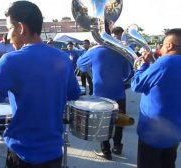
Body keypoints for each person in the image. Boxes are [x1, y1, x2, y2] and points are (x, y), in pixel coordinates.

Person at [0, 1, 81, 167]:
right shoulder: (63, 59)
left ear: (21, 28)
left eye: (9, 28)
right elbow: (74, 94)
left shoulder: (11, 60)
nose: (8, 36)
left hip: (22, 153)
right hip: (53, 153)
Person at [77, 24, 130, 160]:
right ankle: (118, 146)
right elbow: (126, 74)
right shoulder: (122, 51)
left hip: (101, 94)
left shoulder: (95, 51)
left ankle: (106, 151)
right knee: (120, 120)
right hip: (119, 92)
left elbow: (81, 65)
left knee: (102, 123)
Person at [131, 28, 181, 168]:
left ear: (169, 46)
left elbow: (137, 85)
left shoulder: (165, 63)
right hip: (175, 131)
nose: (160, 49)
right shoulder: (164, 64)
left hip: (153, 132)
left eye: (163, 45)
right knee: (168, 163)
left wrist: (143, 66)